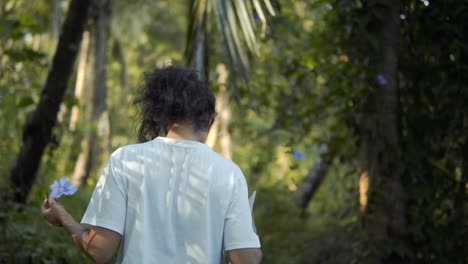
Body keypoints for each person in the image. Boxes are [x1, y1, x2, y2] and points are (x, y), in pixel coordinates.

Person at [41, 66, 262, 264]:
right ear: (209, 119)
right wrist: (247, 220)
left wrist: (63, 218)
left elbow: (99, 250)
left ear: (160, 115)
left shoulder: (126, 161)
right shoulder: (229, 173)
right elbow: (247, 260)